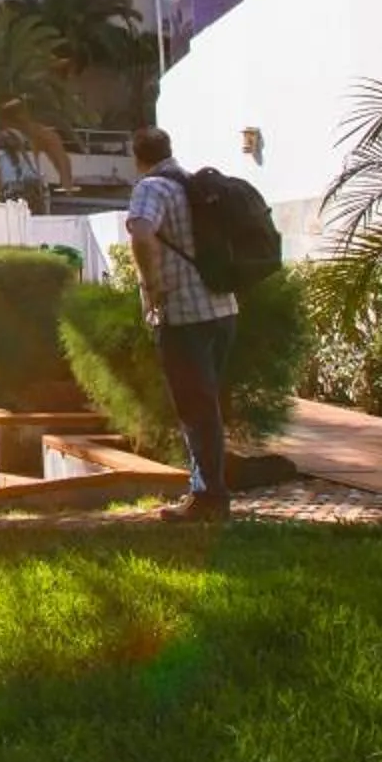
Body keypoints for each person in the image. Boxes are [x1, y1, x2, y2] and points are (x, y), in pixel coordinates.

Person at [124, 125, 236, 522]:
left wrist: (152, 285)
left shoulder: (151, 187)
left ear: (137, 157)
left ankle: (208, 497)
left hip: (184, 315)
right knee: (209, 405)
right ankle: (210, 490)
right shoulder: (193, 184)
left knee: (194, 407)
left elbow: (140, 231)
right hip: (223, 310)